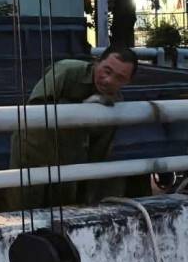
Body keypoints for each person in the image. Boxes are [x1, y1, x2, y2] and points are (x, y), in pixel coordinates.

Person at [9, 45, 138, 210]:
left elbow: (99, 149)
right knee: (24, 207)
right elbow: (35, 108)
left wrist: (88, 183)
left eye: (119, 78)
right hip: (33, 147)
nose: (109, 81)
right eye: (106, 71)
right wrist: (79, 109)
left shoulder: (114, 103)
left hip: (68, 156)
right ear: (97, 62)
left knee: (63, 209)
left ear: (128, 82)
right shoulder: (66, 71)